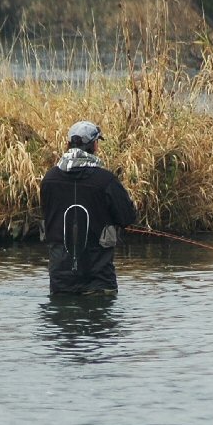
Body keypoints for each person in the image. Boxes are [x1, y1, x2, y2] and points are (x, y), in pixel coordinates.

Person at [40, 120, 138, 295]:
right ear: (94, 146)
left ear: (68, 145)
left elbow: (46, 216)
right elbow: (127, 217)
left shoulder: (49, 179)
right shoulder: (106, 180)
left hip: (61, 281)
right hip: (99, 279)